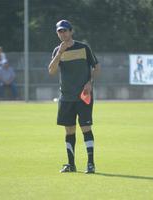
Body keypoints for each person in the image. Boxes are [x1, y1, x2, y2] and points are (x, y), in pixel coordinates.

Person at [48, 20, 100, 173]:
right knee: (69, 130)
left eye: (65, 31)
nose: (62, 34)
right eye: (59, 31)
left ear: (71, 32)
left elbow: (96, 67)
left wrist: (90, 82)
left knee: (86, 128)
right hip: (66, 97)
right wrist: (59, 53)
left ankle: (91, 164)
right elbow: (51, 71)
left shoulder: (84, 47)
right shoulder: (57, 50)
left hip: (83, 96)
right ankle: (71, 164)